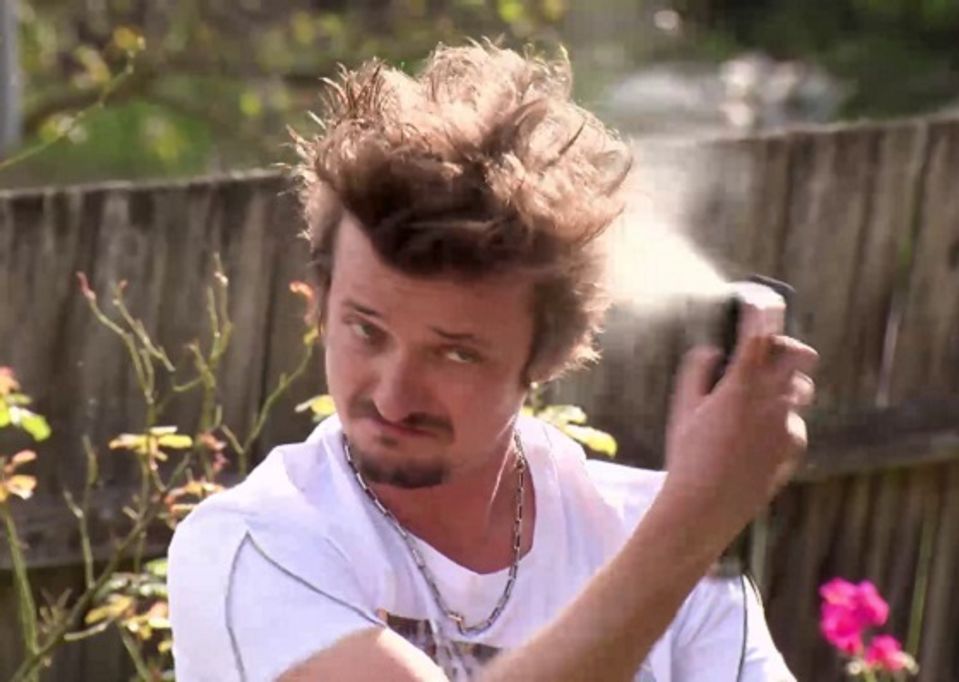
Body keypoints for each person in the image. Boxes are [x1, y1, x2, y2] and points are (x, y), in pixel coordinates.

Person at [168, 42, 818, 682]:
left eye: (456, 353)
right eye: (366, 330)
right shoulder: (253, 544)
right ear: (319, 302)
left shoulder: (648, 532)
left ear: (548, 353)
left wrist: (686, 527)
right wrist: (691, 526)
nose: (393, 396)